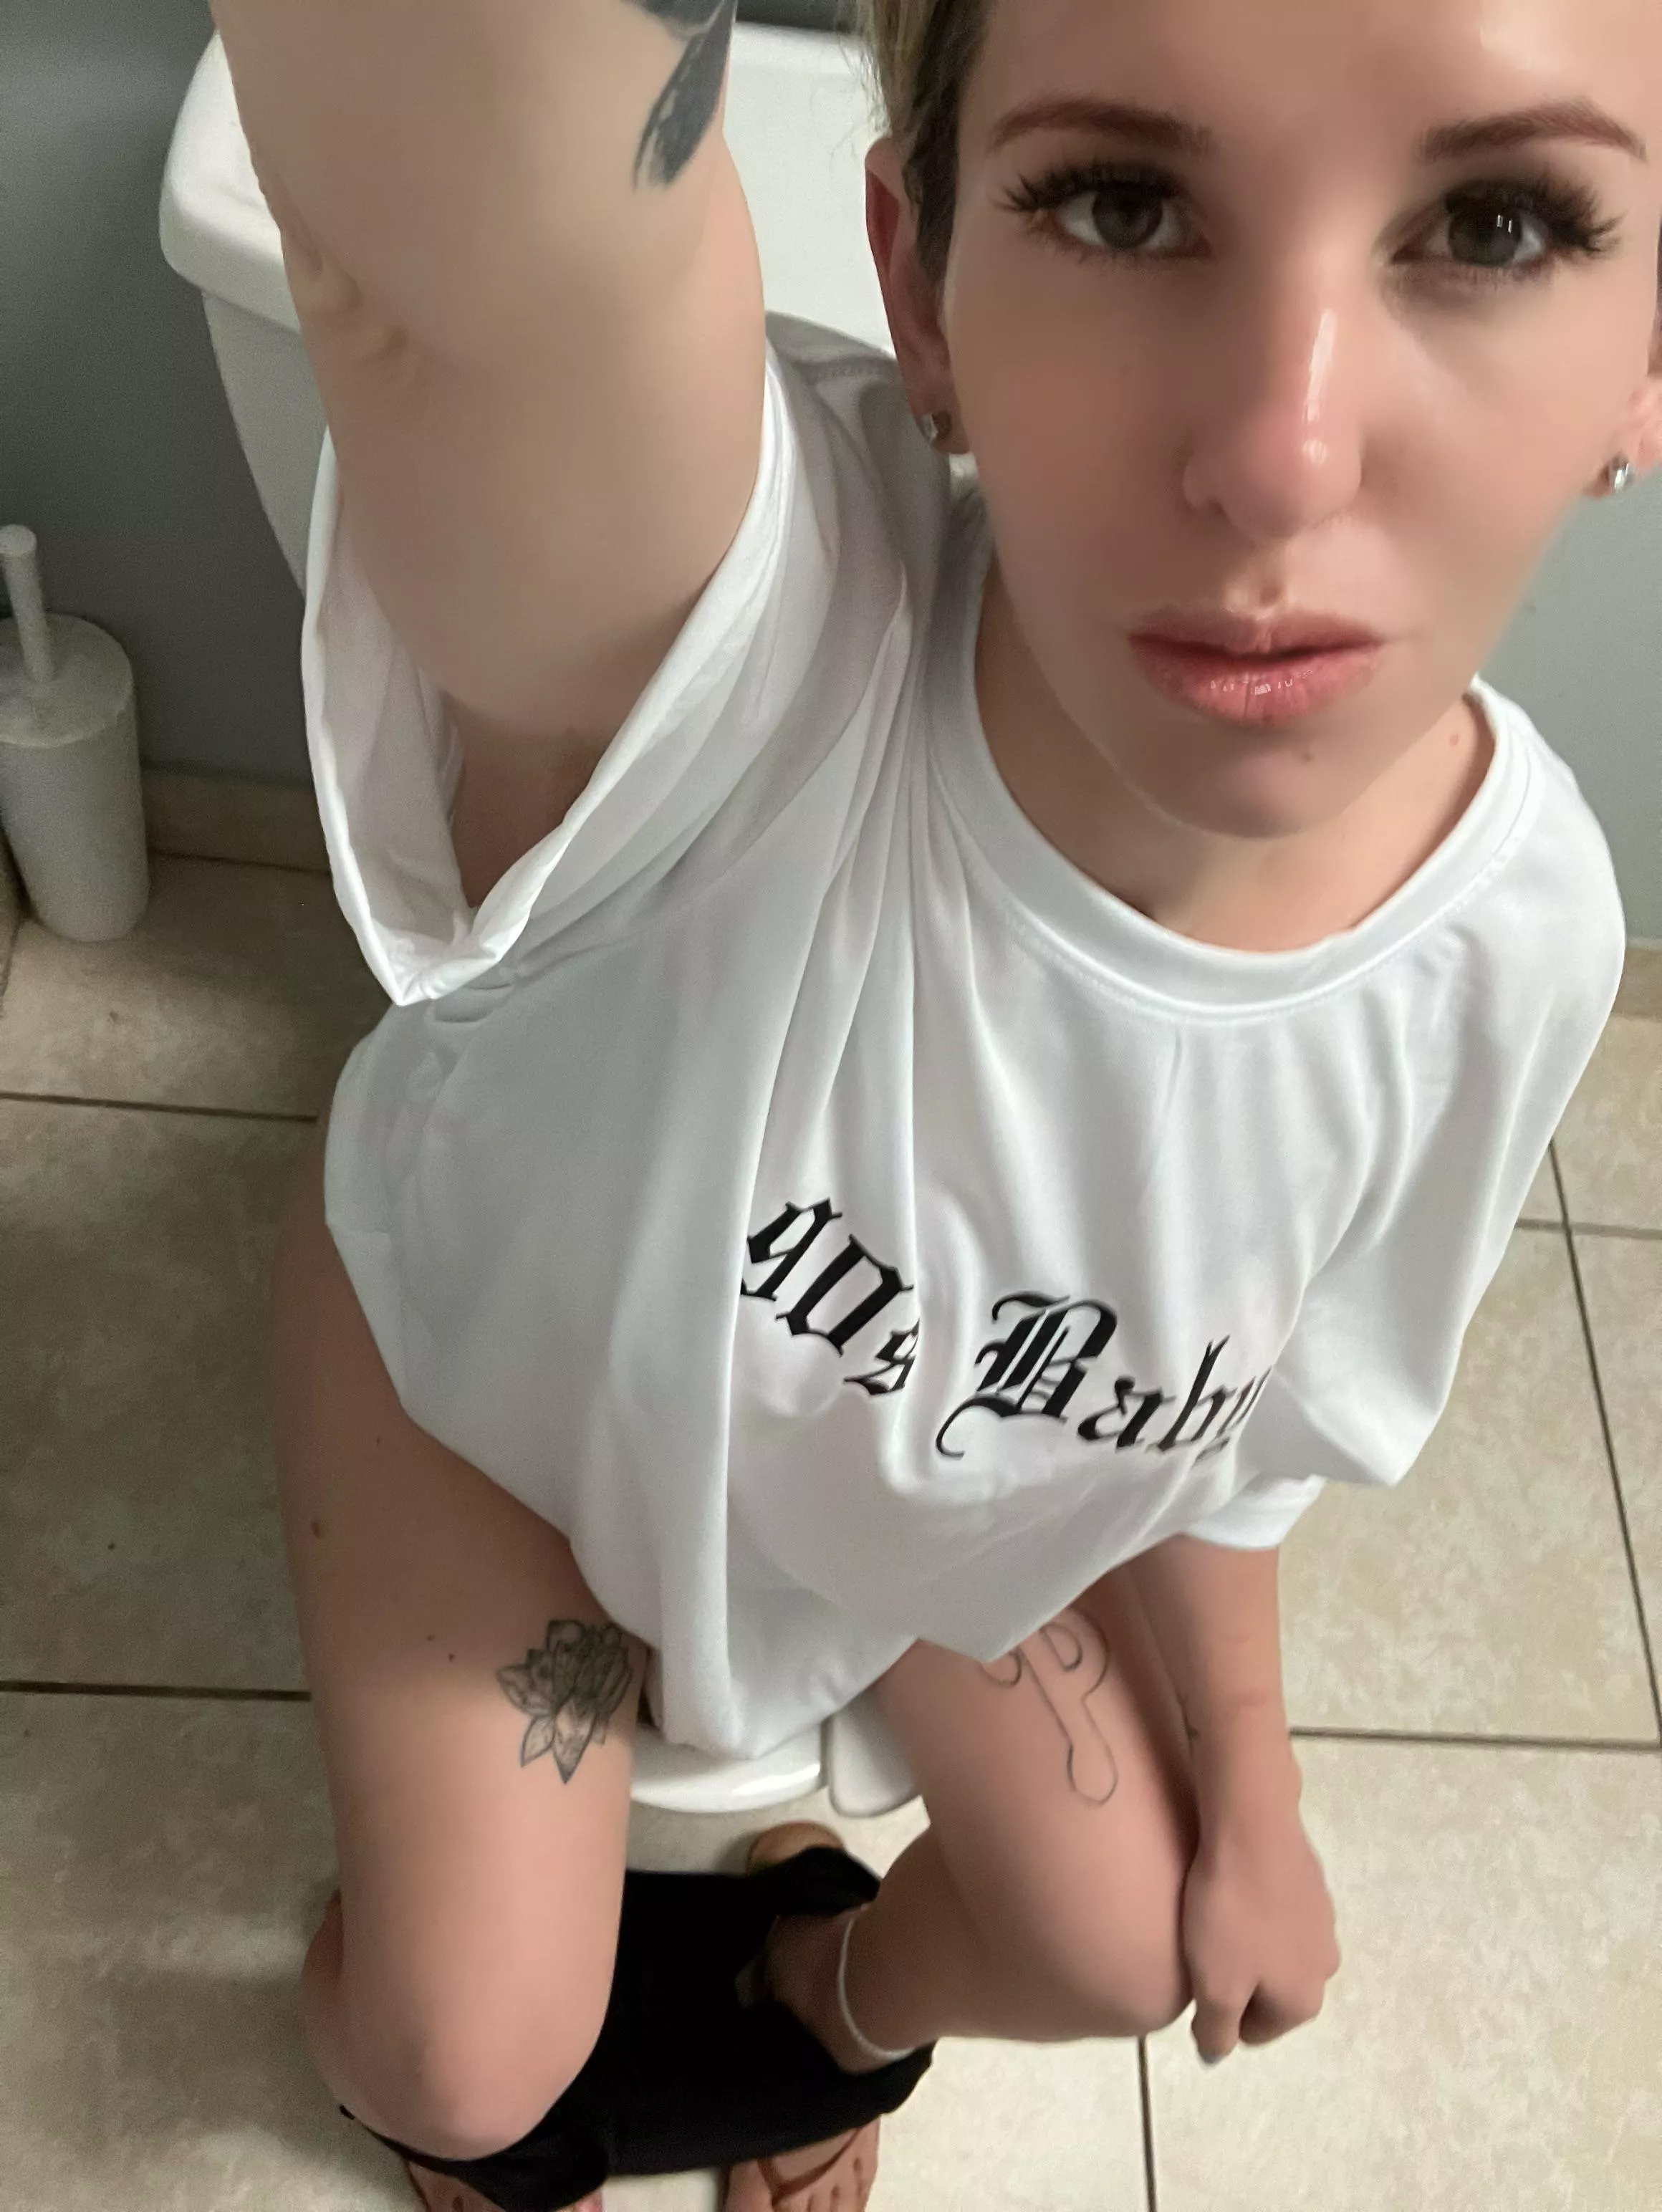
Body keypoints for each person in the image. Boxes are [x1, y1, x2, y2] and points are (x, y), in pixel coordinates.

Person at [213, 0, 1659, 2206]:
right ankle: (451, 2077)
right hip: (494, 1409)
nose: (1283, 457)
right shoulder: (742, 678)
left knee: (1115, 1946)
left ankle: (815, 2006)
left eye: (1495, 224)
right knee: (465, 2058)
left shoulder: (1517, 942)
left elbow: (1252, 1426)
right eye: (1125, 205)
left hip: (889, 1475)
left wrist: (1260, 1794)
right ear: (922, 283)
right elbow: (486, 252)